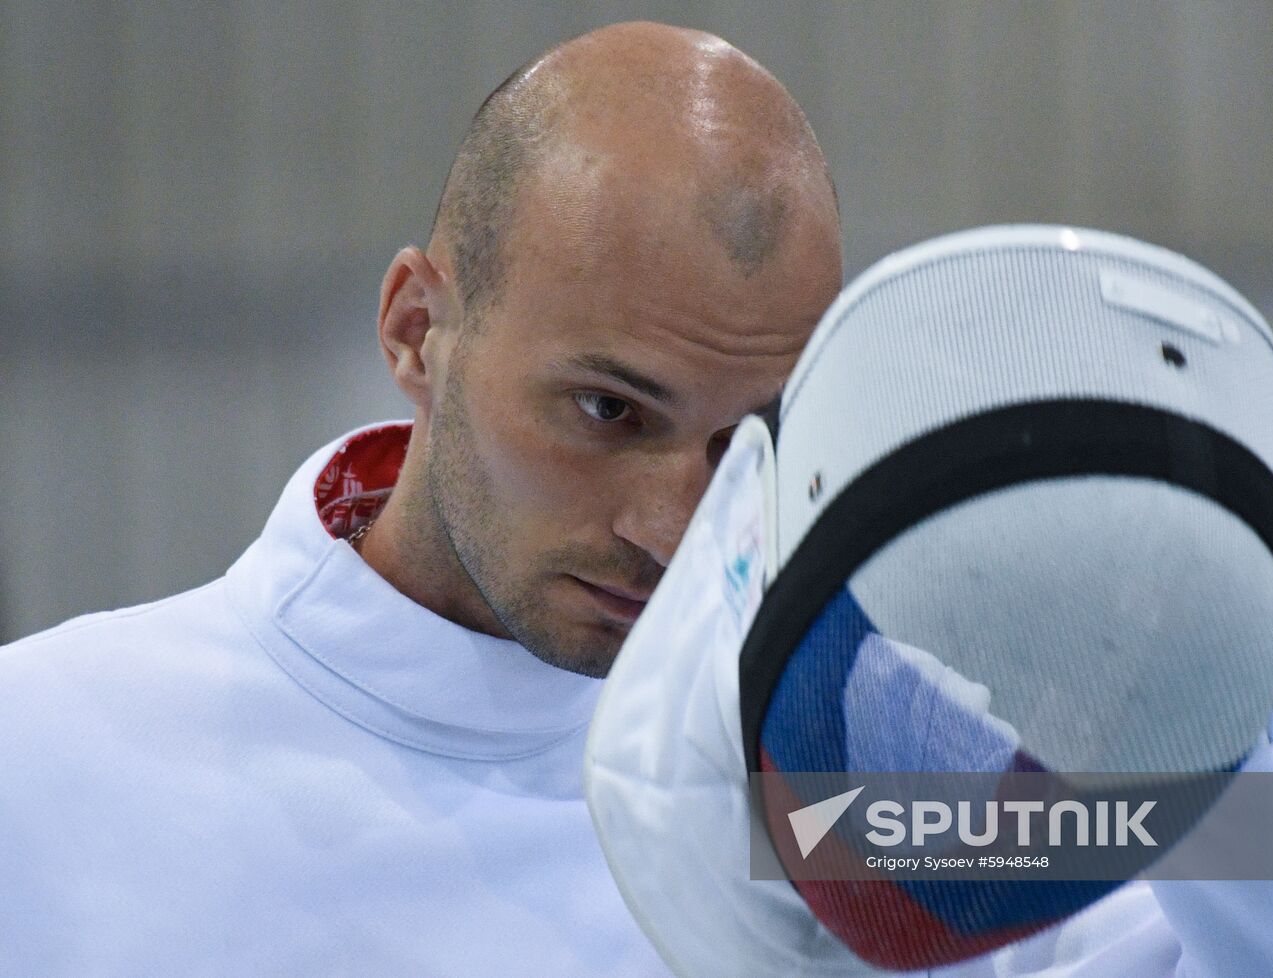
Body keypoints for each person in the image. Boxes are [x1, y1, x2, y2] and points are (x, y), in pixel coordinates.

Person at [0, 21, 842, 977]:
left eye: (746, 443)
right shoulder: (34, 755)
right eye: (609, 410)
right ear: (415, 331)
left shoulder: (867, 791)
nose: (669, 533)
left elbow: (1046, 875)